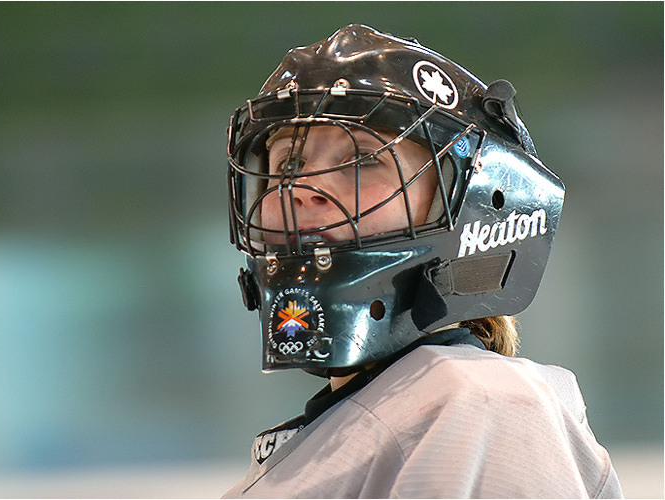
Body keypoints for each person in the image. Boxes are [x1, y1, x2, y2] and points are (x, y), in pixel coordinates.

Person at [222, 25, 622, 498]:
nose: (303, 190)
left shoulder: (481, 408)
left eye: (361, 160)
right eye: (288, 164)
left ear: (474, 203)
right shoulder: (381, 417)